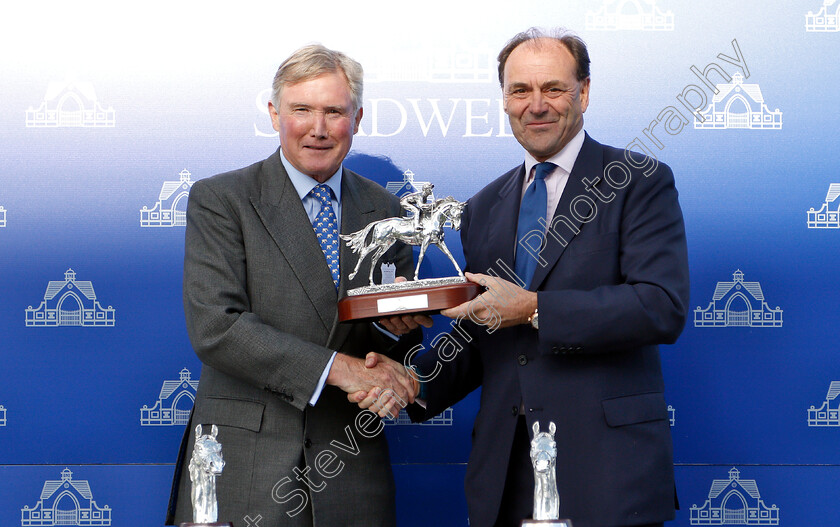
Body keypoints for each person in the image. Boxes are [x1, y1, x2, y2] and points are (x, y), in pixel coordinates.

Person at [356, 27, 690, 527]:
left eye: (553, 88)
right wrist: (412, 382)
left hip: (609, 474)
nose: (537, 105)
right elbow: (485, 334)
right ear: (505, 101)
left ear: (585, 92)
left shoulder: (638, 181)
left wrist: (534, 309)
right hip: (506, 474)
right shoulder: (483, 207)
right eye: (520, 91)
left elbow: (659, 306)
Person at [166, 44, 425, 527]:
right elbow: (216, 328)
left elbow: (395, 347)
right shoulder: (222, 200)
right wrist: (342, 369)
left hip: (351, 463)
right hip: (245, 466)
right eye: (301, 109)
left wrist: (393, 334)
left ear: (358, 117)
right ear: (273, 114)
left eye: (333, 111)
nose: (318, 127)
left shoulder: (389, 213)